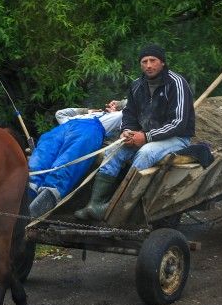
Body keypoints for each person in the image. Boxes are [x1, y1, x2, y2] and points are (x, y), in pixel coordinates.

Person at [75, 44, 195, 220]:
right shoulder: (137, 85)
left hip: (176, 138)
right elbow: (128, 114)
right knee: (112, 151)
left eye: (152, 60)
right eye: (144, 61)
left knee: (146, 153)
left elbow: (178, 123)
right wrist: (126, 131)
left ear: (162, 62)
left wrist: (146, 137)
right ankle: (95, 205)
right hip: (144, 135)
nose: (148, 65)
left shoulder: (177, 83)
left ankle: (117, 207)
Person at [28, 99, 126, 217]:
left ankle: (50, 193)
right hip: (62, 130)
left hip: (88, 130)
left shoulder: (117, 117)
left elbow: (135, 103)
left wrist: (119, 104)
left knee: (68, 160)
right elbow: (60, 113)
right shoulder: (85, 114)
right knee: (42, 156)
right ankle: (29, 187)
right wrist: (87, 110)